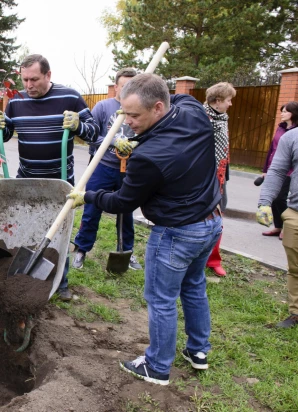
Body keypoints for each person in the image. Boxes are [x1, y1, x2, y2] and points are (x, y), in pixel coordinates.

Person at [68, 73, 222, 385]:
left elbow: (123, 201)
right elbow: (176, 100)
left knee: (161, 298)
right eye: (123, 113)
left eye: (135, 116)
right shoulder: (193, 111)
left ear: (158, 108)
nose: (127, 122)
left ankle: (157, 367)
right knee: (193, 287)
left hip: (177, 232)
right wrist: (137, 138)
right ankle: (198, 351)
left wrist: (88, 196)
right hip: (211, 223)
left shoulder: (149, 158)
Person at [0, 54, 99, 301]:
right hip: (26, 180)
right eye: (25, 79)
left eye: (34, 79)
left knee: (59, 232)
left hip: (60, 182)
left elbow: (95, 132)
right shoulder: (16, 101)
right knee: (27, 228)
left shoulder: (69, 97)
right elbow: (5, 134)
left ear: (48, 75)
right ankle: (26, 278)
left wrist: (78, 126)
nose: (28, 86)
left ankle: (60, 283)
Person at [72, 68, 142, 271]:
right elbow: (90, 137)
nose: (128, 89)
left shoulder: (141, 109)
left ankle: (126, 251)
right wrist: (113, 142)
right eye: (124, 85)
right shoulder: (103, 107)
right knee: (92, 209)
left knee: (126, 211)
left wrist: (137, 145)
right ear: (116, 87)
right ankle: (81, 249)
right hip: (102, 167)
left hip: (129, 170)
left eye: (133, 86)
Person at [257, 119, 298, 329]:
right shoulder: (291, 137)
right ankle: (296, 313)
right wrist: (265, 202)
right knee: (295, 268)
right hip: (296, 213)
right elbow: (277, 170)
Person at [203, 82, 236, 277]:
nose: (230, 104)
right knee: (203, 218)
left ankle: (213, 260)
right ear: (217, 101)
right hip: (204, 177)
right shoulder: (201, 118)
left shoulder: (222, 118)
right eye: (229, 100)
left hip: (220, 173)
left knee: (218, 217)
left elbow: (223, 148)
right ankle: (199, 257)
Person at [259, 102, 298, 239]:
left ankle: (287, 227)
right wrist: (266, 169)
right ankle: (278, 226)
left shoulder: (294, 132)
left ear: (293, 113)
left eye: (285, 111)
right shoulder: (280, 128)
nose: (282, 114)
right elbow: (271, 150)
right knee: (274, 198)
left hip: (289, 172)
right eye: (282, 111)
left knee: (281, 198)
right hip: (274, 167)